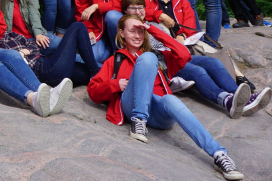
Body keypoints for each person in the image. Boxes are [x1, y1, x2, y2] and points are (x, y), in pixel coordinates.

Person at [87, 15, 244, 180]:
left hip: (158, 114)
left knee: (171, 98)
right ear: (121, 33)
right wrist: (115, 84)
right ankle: (138, 121)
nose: (137, 35)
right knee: (147, 58)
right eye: (132, 31)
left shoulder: (158, 58)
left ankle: (219, 154)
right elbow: (93, 91)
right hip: (131, 106)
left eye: (141, 31)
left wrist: (152, 29)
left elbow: (184, 55)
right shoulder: (115, 60)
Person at [121, 0, 271, 118]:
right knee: (197, 71)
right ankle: (226, 100)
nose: (138, 12)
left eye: (141, 8)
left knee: (213, 62)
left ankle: (240, 98)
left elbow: (170, 43)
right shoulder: (126, 30)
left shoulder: (152, 24)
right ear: (125, 11)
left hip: (174, 57)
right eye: (133, 8)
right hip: (164, 66)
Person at [0, 0, 100, 86]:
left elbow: (34, 14)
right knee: (76, 29)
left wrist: (38, 34)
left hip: (36, 42)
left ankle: (99, 72)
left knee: (83, 70)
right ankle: (96, 72)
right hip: (29, 51)